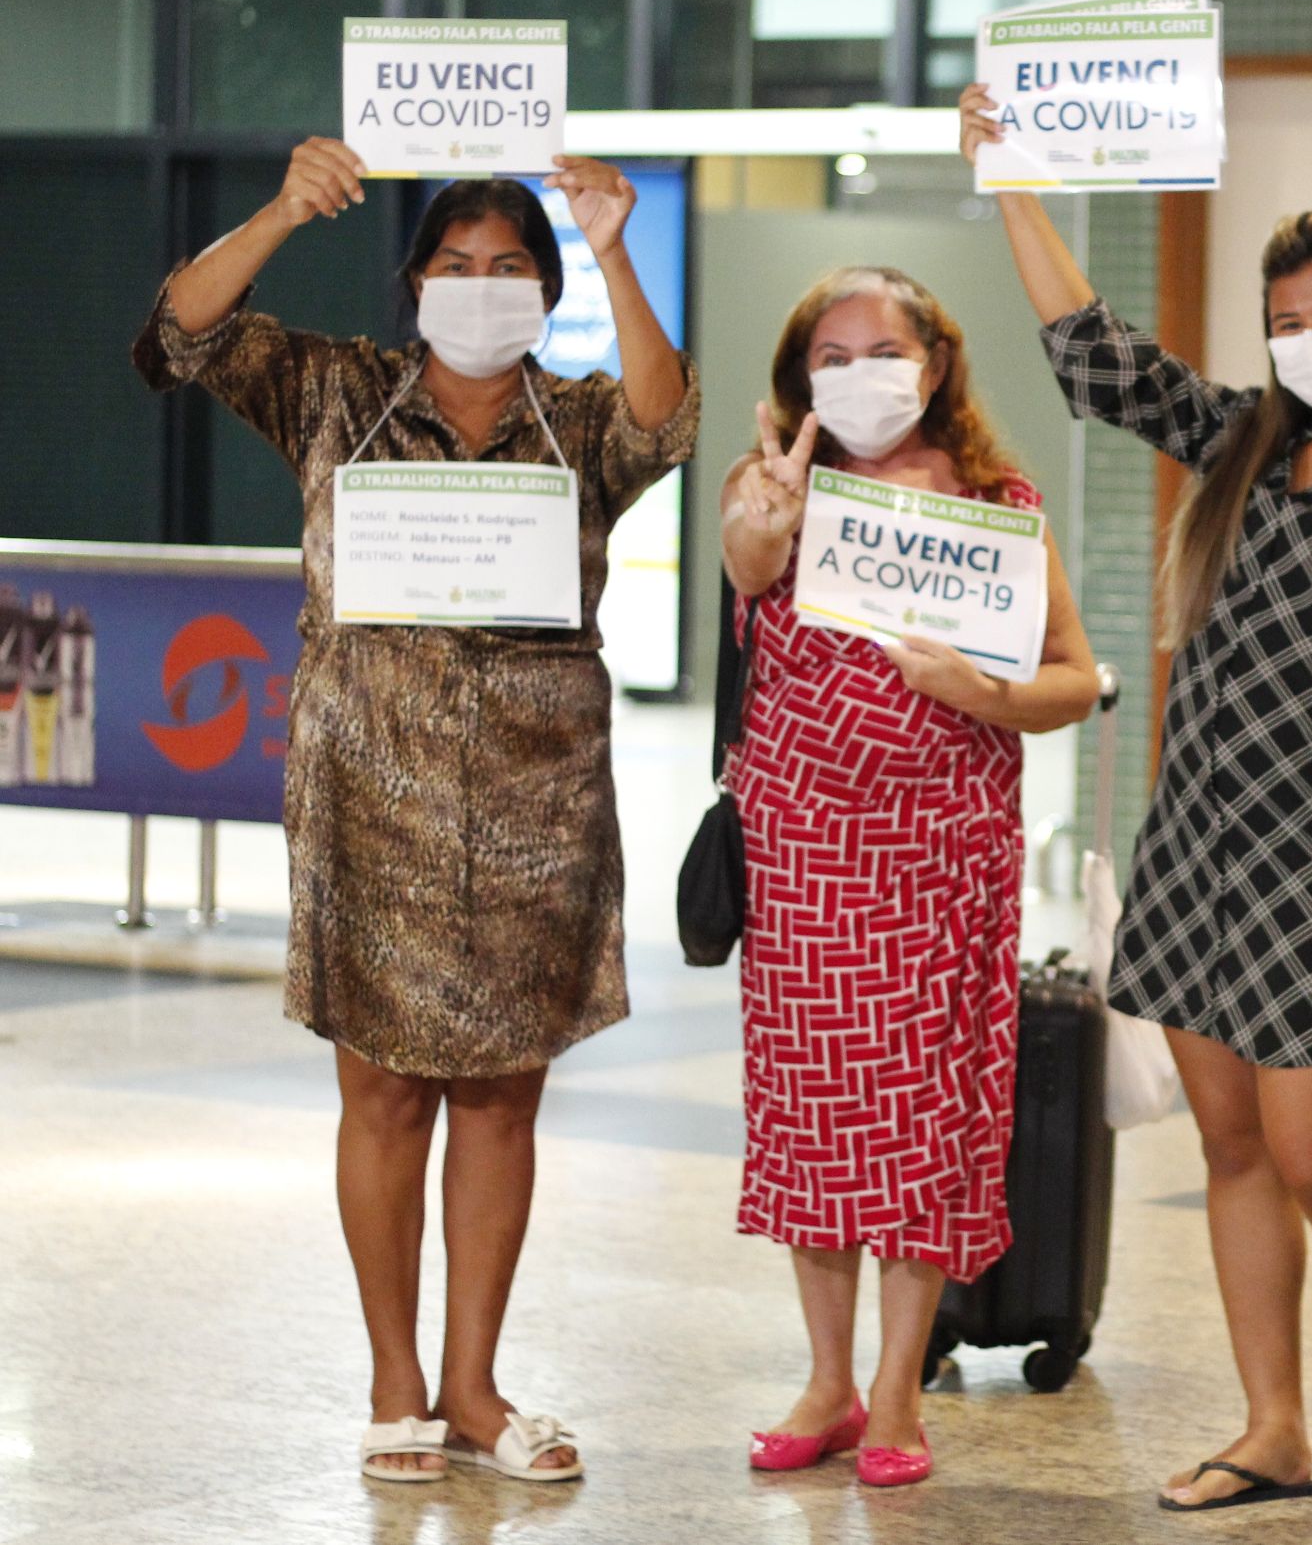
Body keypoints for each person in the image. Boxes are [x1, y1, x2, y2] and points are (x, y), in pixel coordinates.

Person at [963, 87, 1312, 1525]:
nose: (1310, 334)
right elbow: (1099, 362)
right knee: (1234, 1148)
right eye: (1288, 315)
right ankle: (1277, 1425)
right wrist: (1014, 178)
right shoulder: (1248, 444)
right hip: (1194, 843)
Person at [132, 141, 699, 1481]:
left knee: (504, 1104)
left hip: (534, 811)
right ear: (415, 281)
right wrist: (283, 206)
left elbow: (669, 422)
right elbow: (180, 333)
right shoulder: (339, 392)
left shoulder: (578, 425)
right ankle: (396, 1384)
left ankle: (476, 1389)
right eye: (457, 265)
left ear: (549, 291)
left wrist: (613, 243)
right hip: (365, 799)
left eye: (512, 269)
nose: (482, 286)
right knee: (384, 1096)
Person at [722, 264, 1100, 1489]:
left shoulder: (999, 506)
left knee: (927, 1125)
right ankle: (826, 1382)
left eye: (876, 349)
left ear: (933, 365)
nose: (853, 374)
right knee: (814, 1123)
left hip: (942, 856)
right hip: (804, 855)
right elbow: (740, 566)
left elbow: (1073, 677)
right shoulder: (782, 489)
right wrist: (768, 513)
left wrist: (984, 694)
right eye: (826, 355)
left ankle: (897, 1396)